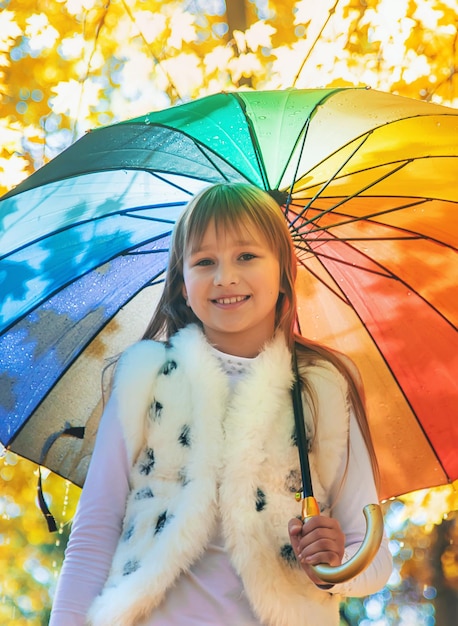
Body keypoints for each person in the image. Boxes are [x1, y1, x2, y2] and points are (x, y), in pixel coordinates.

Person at [49, 182, 392, 626]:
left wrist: (333, 565)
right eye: (204, 261)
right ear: (183, 283)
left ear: (284, 270)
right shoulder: (146, 377)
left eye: (246, 256)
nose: (225, 277)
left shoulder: (320, 387)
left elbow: (375, 559)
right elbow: (95, 533)